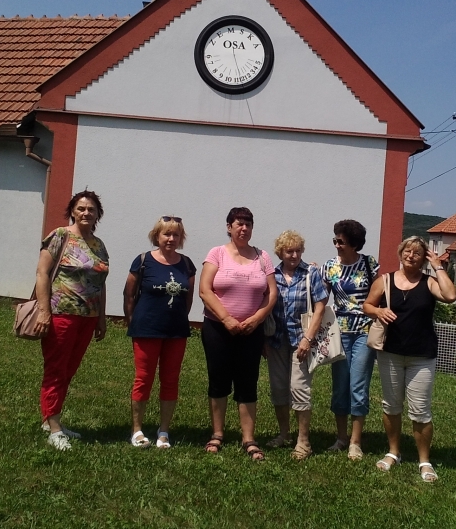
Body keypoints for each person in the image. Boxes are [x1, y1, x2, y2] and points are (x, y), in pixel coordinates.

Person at [363, 236, 456, 482]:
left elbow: (450, 296)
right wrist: (379, 310)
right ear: (400, 253)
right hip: (390, 353)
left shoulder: (429, 282)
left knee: (420, 411)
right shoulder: (385, 280)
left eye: (417, 252)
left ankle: (424, 461)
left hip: (421, 357)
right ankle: (393, 452)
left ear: (424, 257)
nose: (411, 255)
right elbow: (367, 306)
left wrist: (437, 266)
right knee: (391, 406)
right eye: (407, 251)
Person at [198, 207, 278, 462]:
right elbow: (205, 290)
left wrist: (257, 319)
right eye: (238, 223)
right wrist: (226, 319)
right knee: (218, 380)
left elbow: (271, 293)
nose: (244, 228)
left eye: (248, 224)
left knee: (248, 382)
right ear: (229, 227)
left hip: (251, 331)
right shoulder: (217, 253)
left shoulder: (262, 256)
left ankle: (248, 439)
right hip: (217, 329)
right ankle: (217, 434)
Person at [34, 191, 110, 451]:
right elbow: (42, 273)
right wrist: (44, 311)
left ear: (98, 214)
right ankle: (54, 429)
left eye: (91, 209)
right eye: (81, 208)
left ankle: (51, 419)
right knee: (56, 369)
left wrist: (101, 318)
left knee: (68, 370)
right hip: (61, 314)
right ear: (73, 212)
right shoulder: (60, 236)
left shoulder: (99, 245)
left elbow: (100, 283)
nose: (86, 213)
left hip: (88, 317)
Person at [124, 216, 195, 449]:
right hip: (146, 329)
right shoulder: (143, 261)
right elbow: (129, 293)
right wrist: (132, 320)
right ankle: (137, 430)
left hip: (176, 331)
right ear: (157, 236)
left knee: (171, 380)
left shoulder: (187, 264)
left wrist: (177, 318)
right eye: (166, 234)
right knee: (143, 379)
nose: (171, 239)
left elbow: (188, 298)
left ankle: (163, 431)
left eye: (176, 235)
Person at [265, 230, 329, 460]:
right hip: (276, 340)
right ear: (280, 252)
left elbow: (320, 307)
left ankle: (304, 441)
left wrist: (308, 338)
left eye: (298, 250)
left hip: (302, 340)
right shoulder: (272, 274)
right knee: (278, 388)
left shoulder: (311, 273)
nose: (294, 255)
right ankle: (284, 434)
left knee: (299, 388)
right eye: (289, 251)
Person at [321, 219, 379, 461]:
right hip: (339, 332)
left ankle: (356, 442)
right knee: (340, 384)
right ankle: (341, 437)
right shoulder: (329, 267)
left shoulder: (369, 263)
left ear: (354, 244)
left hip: (365, 331)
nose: (336, 245)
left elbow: (380, 294)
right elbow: (321, 298)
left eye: (341, 241)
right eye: (335, 240)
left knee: (358, 384)